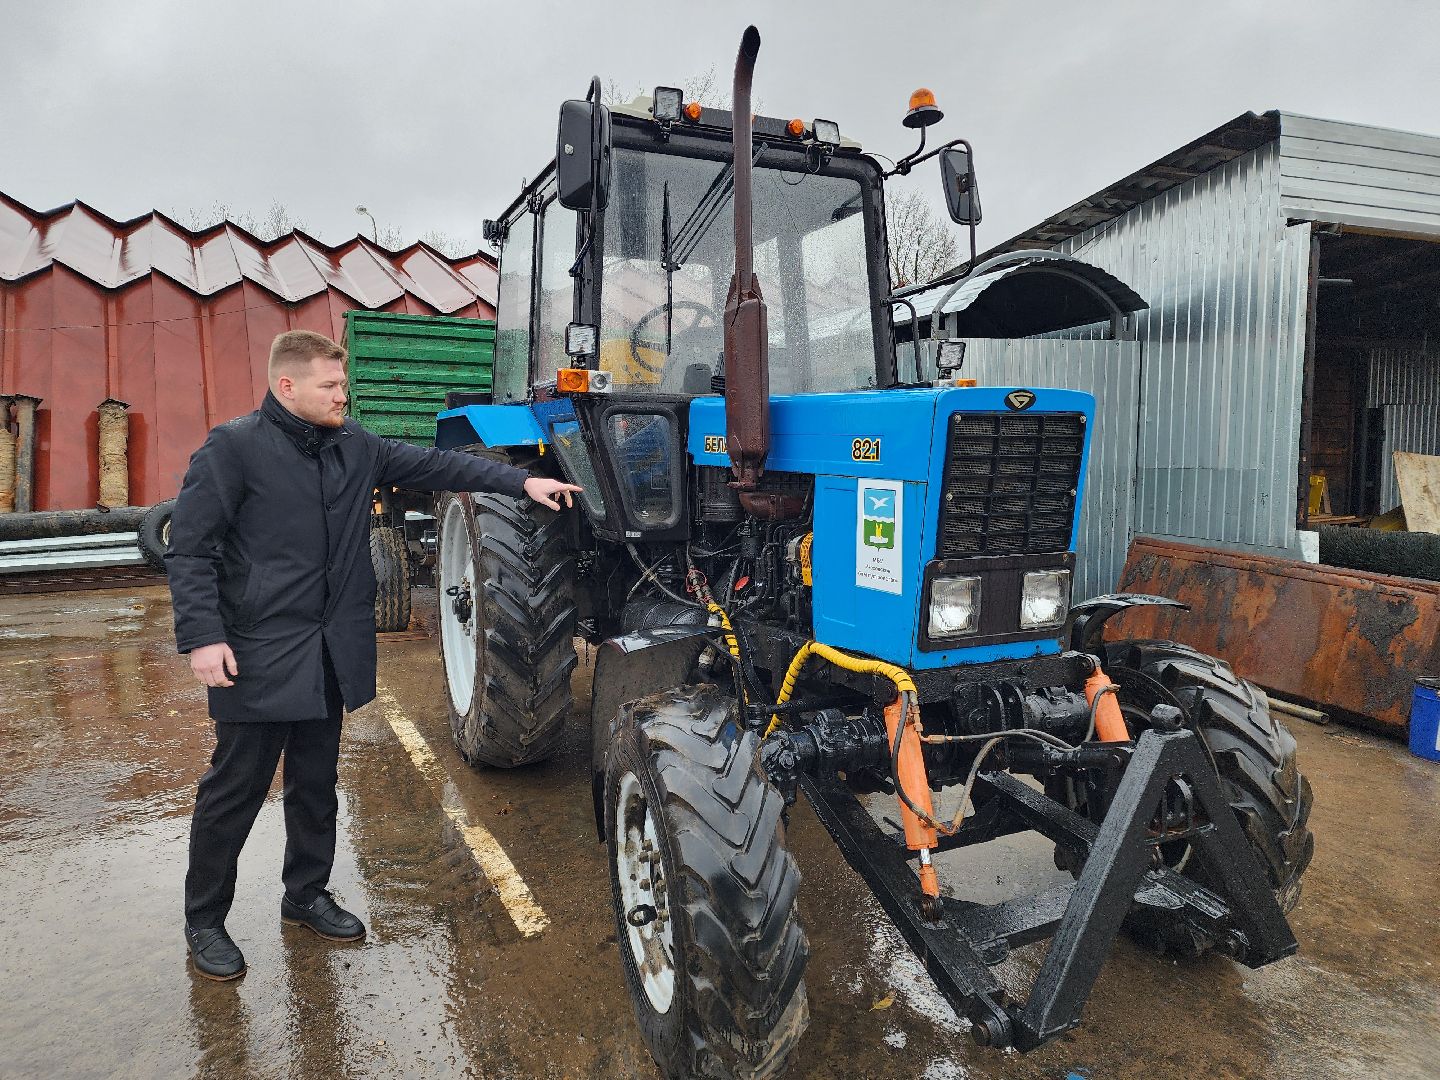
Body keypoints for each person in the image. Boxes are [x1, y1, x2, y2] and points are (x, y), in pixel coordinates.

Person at [167, 329, 580, 981]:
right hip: (257, 649)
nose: (343, 394)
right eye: (330, 385)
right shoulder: (235, 447)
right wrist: (203, 637)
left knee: (315, 787)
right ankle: (204, 920)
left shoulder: (354, 445)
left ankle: (305, 896)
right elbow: (189, 549)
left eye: (344, 383)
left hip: (330, 651)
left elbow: (440, 467)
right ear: (287, 387)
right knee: (234, 792)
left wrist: (518, 484)